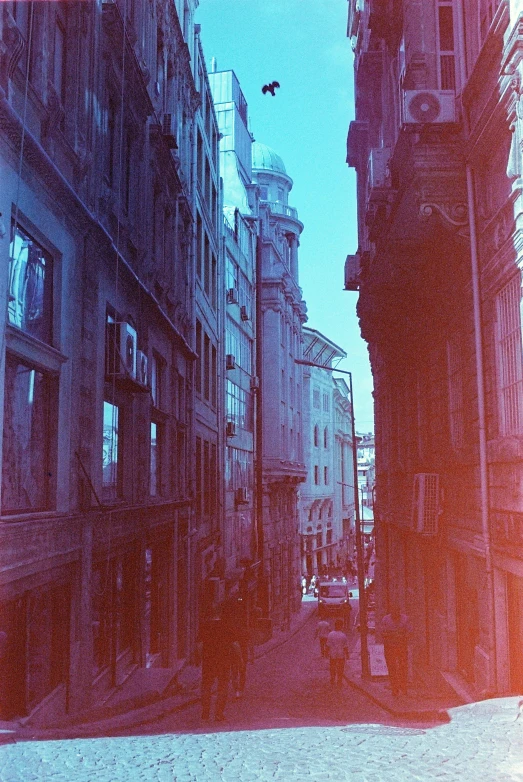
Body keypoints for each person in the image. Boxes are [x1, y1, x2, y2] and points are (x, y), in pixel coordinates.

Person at [198, 606, 237, 721]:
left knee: (206, 687)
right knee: (223, 687)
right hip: (223, 661)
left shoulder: (204, 626)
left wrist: (202, 658)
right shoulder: (226, 626)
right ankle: (219, 714)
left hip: (208, 661)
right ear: (220, 613)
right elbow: (235, 645)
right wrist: (238, 659)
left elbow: (199, 646)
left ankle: (205, 714)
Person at [379, 604, 412, 696]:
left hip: (401, 647)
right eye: (393, 612)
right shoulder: (386, 619)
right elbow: (382, 633)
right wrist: (395, 634)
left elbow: (409, 632)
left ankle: (403, 687)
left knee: (403, 667)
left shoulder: (405, 619)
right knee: (392, 667)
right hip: (389, 647)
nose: (395, 614)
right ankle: (394, 688)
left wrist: (397, 635)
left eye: (397, 612)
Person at [326, 618, 349, 687]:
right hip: (341, 654)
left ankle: (332, 679)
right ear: (341, 626)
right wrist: (347, 654)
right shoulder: (343, 635)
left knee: (332, 667)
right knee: (340, 668)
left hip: (332, 654)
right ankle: (339, 681)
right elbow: (345, 646)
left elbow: (328, 645)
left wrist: (326, 652)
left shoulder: (330, 634)